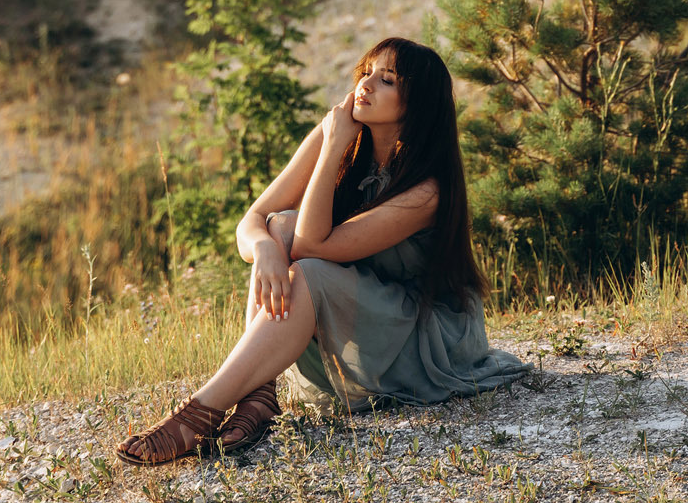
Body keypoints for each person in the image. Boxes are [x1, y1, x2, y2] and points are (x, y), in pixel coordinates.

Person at [117, 37, 529, 464]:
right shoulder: (341, 131)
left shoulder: (427, 192)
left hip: (423, 337)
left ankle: (199, 413)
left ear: (417, 103)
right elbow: (252, 221)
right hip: (362, 316)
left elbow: (312, 246)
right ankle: (259, 397)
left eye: (387, 79)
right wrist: (265, 249)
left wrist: (332, 148)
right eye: (366, 72)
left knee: (307, 266)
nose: (365, 84)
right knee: (278, 227)